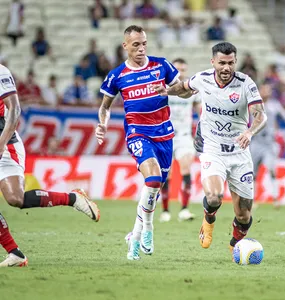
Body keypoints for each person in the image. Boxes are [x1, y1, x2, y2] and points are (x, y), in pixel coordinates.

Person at [153, 42, 267, 252]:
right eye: (222, 63)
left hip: (239, 152)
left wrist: (249, 132)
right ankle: (208, 221)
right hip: (212, 148)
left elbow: (260, 114)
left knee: (244, 215)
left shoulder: (245, 83)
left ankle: (234, 244)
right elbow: (185, 89)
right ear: (213, 61)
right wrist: (167, 91)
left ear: (235, 62)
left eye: (231, 63)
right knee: (214, 197)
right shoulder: (203, 78)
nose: (226, 68)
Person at [96, 25, 186, 260]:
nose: (141, 49)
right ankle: (146, 231)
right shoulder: (117, 75)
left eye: (144, 43)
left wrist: (168, 90)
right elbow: (104, 107)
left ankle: (136, 234)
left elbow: (185, 92)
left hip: (164, 134)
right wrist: (103, 124)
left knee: (154, 191)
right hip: (138, 133)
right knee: (153, 179)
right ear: (125, 46)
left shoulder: (161, 65)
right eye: (135, 44)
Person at [0, 64, 100, 267]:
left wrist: (1, 142)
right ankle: (15, 253)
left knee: (15, 199)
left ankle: (73, 198)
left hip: (6, 143)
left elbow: (15, 109)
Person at [249, 84, 285, 208]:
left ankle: (275, 198)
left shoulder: (275, 105)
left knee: (272, 169)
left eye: (269, 90)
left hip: (270, 143)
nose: (267, 92)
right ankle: (252, 200)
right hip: (256, 142)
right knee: (252, 173)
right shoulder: (252, 104)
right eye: (264, 89)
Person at [160, 58, 201, 223]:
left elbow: (202, 113)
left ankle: (184, 209)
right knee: (166, 173)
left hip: (184, 137)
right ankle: (165, 210)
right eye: (178, 69)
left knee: (185, 169)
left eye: (184, 69)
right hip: (166, 136)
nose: (181, 72)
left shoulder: (190, 91)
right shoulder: (163, 89)